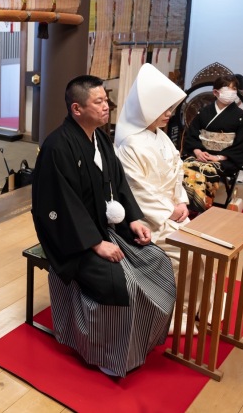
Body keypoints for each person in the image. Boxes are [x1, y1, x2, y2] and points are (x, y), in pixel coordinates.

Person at [31, 74, 175, 378]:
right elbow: (58, 205)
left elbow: (119, 185)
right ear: (76, 109)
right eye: (98, 101)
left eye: (106, 100)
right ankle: (103, 352)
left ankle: (140, 343)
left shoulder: (101, 139)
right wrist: (94, 243)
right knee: (121, 283)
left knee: (157, 261)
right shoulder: (58, 147)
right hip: (72, 237)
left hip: (105, 227)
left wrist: (135, 218)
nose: (107, 106)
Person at [115, 64, 201, 333]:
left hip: (172, 212)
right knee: (182, 254)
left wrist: (182, 202)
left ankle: (196, 307)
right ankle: (172, 314)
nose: (168, 115)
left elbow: (176, 174)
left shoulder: (161, 137)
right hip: (146, 221)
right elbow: (136, 190)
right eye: (163, 109)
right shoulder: (130, 143)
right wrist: (168, 211)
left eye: (170, 109)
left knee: (204, 246)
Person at [182, 74, 243, 212]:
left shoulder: (240, 116)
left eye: (234, 89)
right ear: (215, 92)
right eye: (227, 89)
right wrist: (197, 151)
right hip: (201, 152)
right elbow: (192, 134)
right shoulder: (204, 112)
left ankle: (201, 207)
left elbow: (241, 144)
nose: (231, 92)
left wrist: (218, 157)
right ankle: (184, 204)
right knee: (186, 166)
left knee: (207, 169)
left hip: (224, 158)